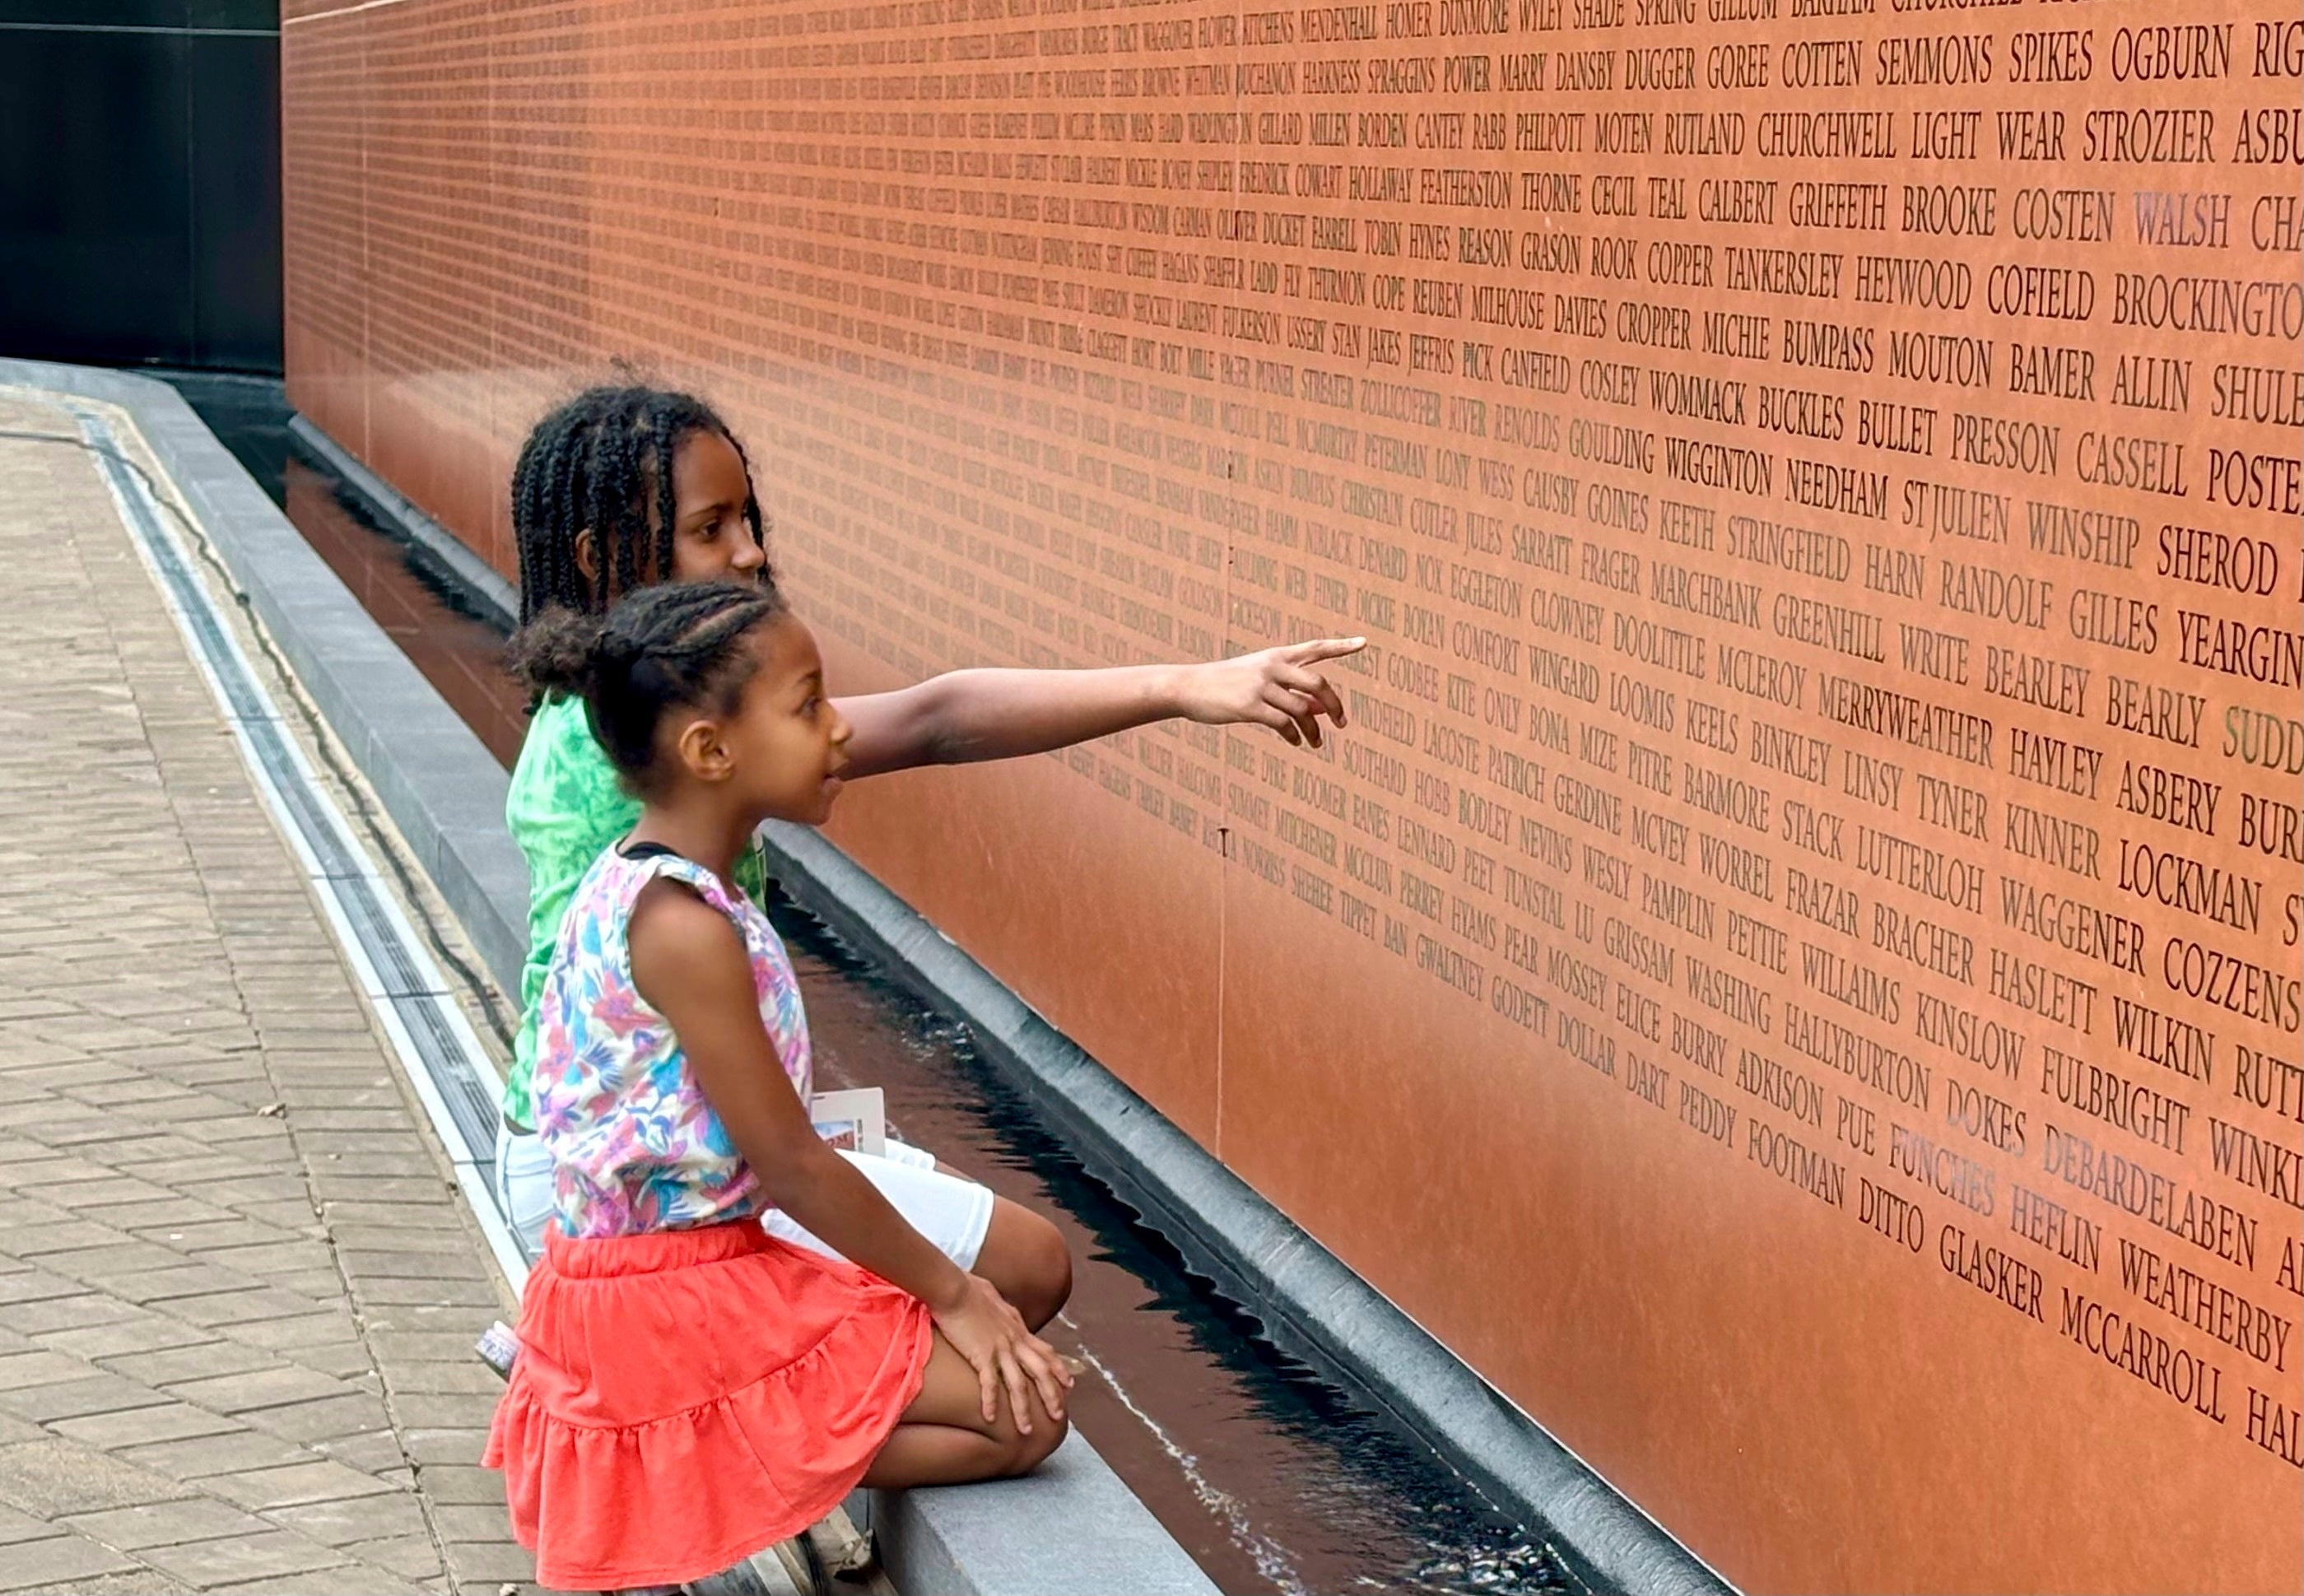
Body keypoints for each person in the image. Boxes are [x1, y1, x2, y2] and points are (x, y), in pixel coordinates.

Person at [495, 384, 1364, 1327]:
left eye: (747, 516)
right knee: (1019, 1280)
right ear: (602, 559)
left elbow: (938, 718)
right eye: (711, 527)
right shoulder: (619, 759)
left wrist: (1186, 684)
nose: (749, 552)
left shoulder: (615, 719)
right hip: (622, 1184)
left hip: (643, 1139)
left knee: (1001, 1261)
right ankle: (636, 1384)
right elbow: (932, 721)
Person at [487, 578, 1078, 1591]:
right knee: (1027, 1415)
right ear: (711, 751)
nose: (839, 729)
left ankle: (714, 1450)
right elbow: (792, 1165)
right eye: (807, 706)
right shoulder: (682, 927)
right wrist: (957, 1294)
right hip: (671, 1301)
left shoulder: (657, 881)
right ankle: (711, 1456)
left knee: (1013, 1393)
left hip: (693, 1269)